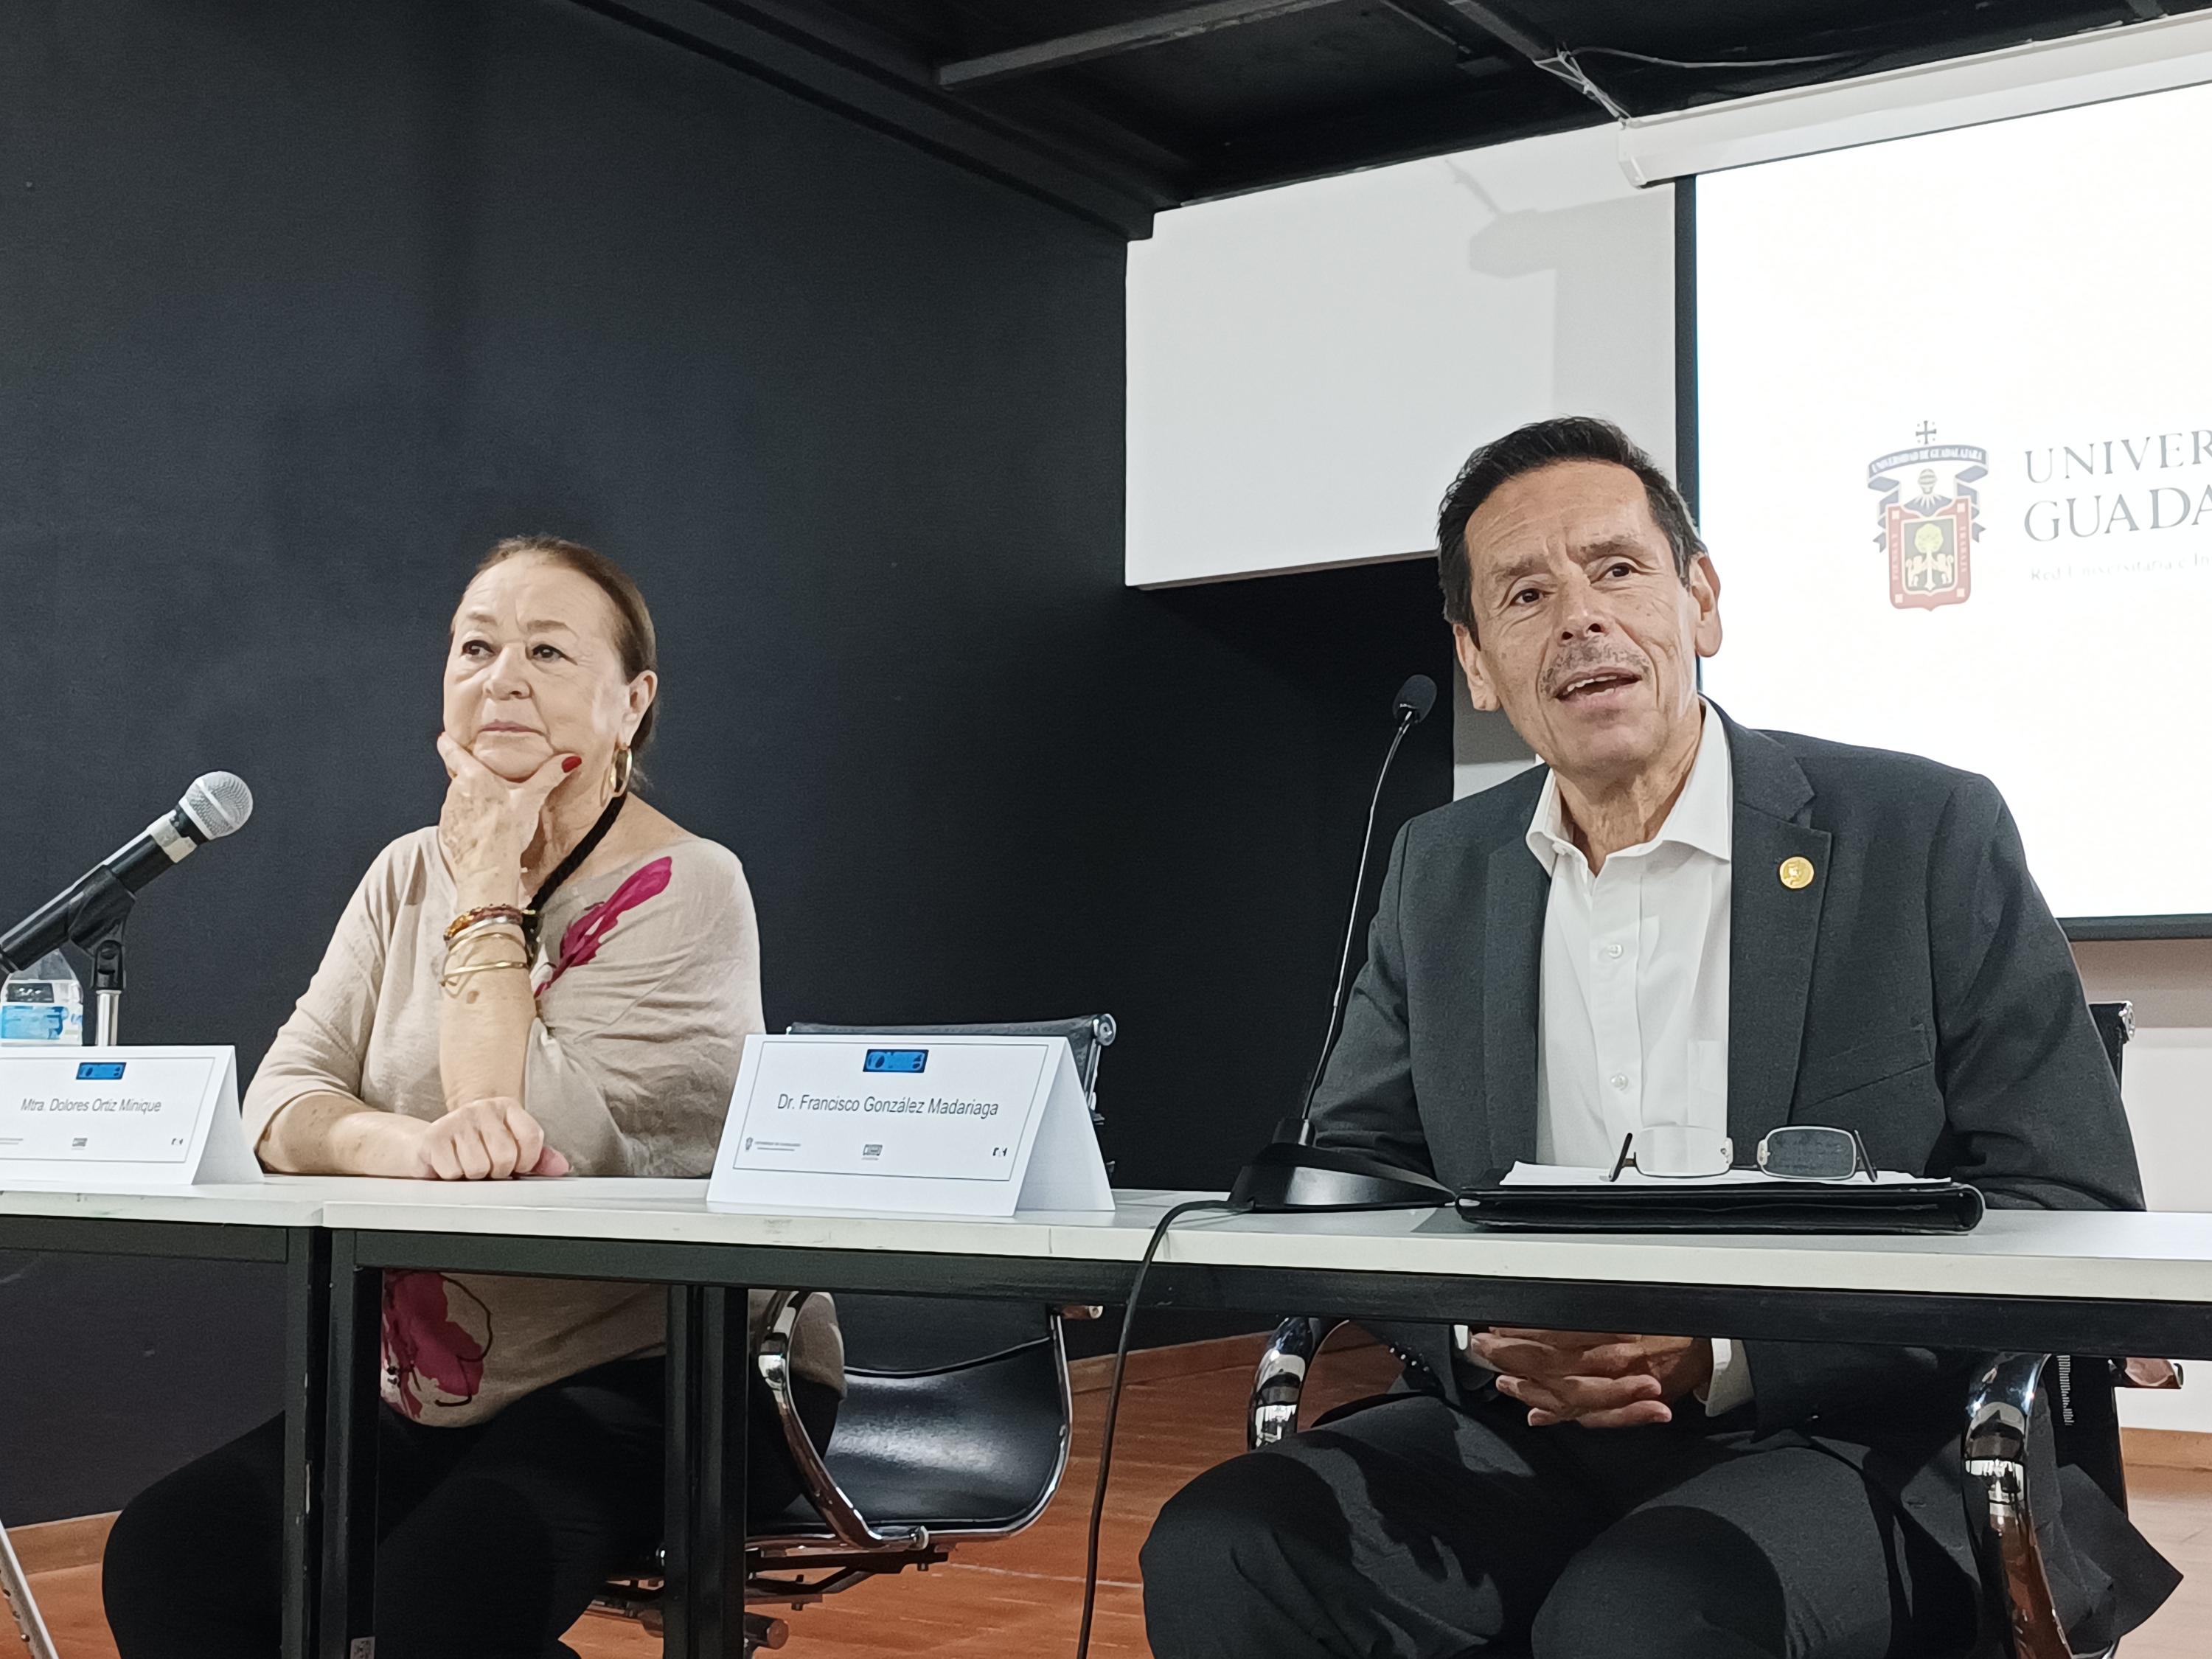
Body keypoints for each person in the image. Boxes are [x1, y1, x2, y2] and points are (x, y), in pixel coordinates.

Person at [1141, 417, 2179, 1658]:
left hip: (1856, 1427)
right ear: (1478, 661)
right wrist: (1482, 1337)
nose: (1580, 618)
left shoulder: (1923, 831)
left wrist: (1722, 1352)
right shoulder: (1441, 869)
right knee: (1230, 1541)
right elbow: (1358, 1179)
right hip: (1524, 1423)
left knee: (1649, 1610)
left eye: (1617, 569)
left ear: (1702, 601)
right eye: (1526, 594)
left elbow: (2068, 1200)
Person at [102, 535, 843, 1658]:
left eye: (547, 651)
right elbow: (280, 1103)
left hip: (681, 1376)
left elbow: (525, 1145)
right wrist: (409, 1147)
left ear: (632, 704)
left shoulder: (690, 887)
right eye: (475, 647)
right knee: (171, 1556)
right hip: (442, 1390)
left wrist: (491, 879)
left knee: (439, 1600)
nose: (501, 679)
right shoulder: (406, 871)